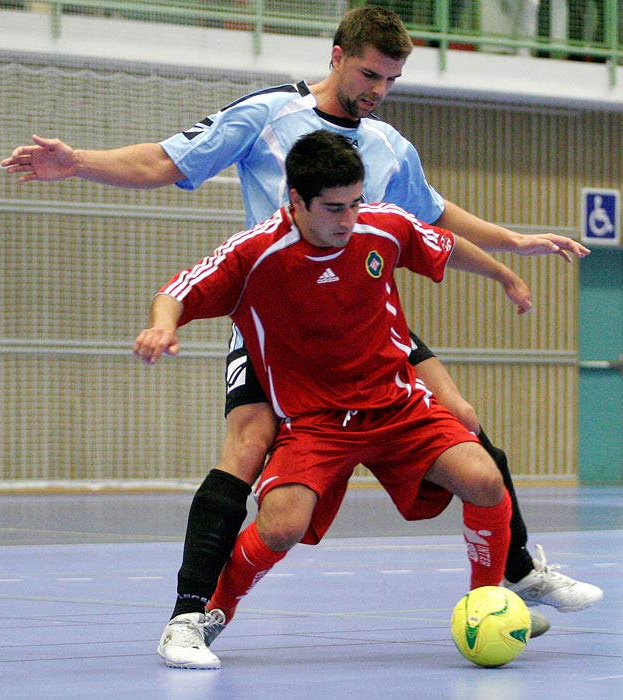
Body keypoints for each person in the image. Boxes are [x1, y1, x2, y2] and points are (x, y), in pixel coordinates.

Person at [2, 4, 602, 668]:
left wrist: (511, 243)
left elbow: (430, 216)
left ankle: (513, 569)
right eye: (370, 74)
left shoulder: (386, 145)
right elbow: (164, 162)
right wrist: (76, 162)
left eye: (392, 81)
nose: (377, 91)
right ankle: (188, 616)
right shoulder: (268, 117)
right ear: (338, 56)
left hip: (363, 319)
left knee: (460, 416)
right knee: (249, 445)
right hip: (277, 325)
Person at [134, 129, 535, 668]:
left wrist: (505, 273)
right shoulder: (255, 253)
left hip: (396, 406)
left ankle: (490, 600)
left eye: (354, 203)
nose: (347, 220)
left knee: (485, 478)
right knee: (281, 525)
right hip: (316, 420)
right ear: (295, 201)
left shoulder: (382, 227)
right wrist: (163, 327)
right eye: (332, 208)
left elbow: (440, 243)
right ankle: (200, 622)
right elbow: (177, 290)